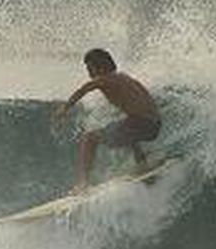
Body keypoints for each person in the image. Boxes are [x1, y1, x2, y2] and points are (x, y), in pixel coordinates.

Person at [55, 48, 161, 192]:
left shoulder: (104, 79)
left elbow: (84, 89)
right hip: (154, 125)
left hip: (141, 124)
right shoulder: (123, 77)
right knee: (127, 124)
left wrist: (64, 108)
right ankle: (142, 163)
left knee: (89, 138)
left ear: (98, 66)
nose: (88, 71)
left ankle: (83, 183)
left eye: (89, 67)